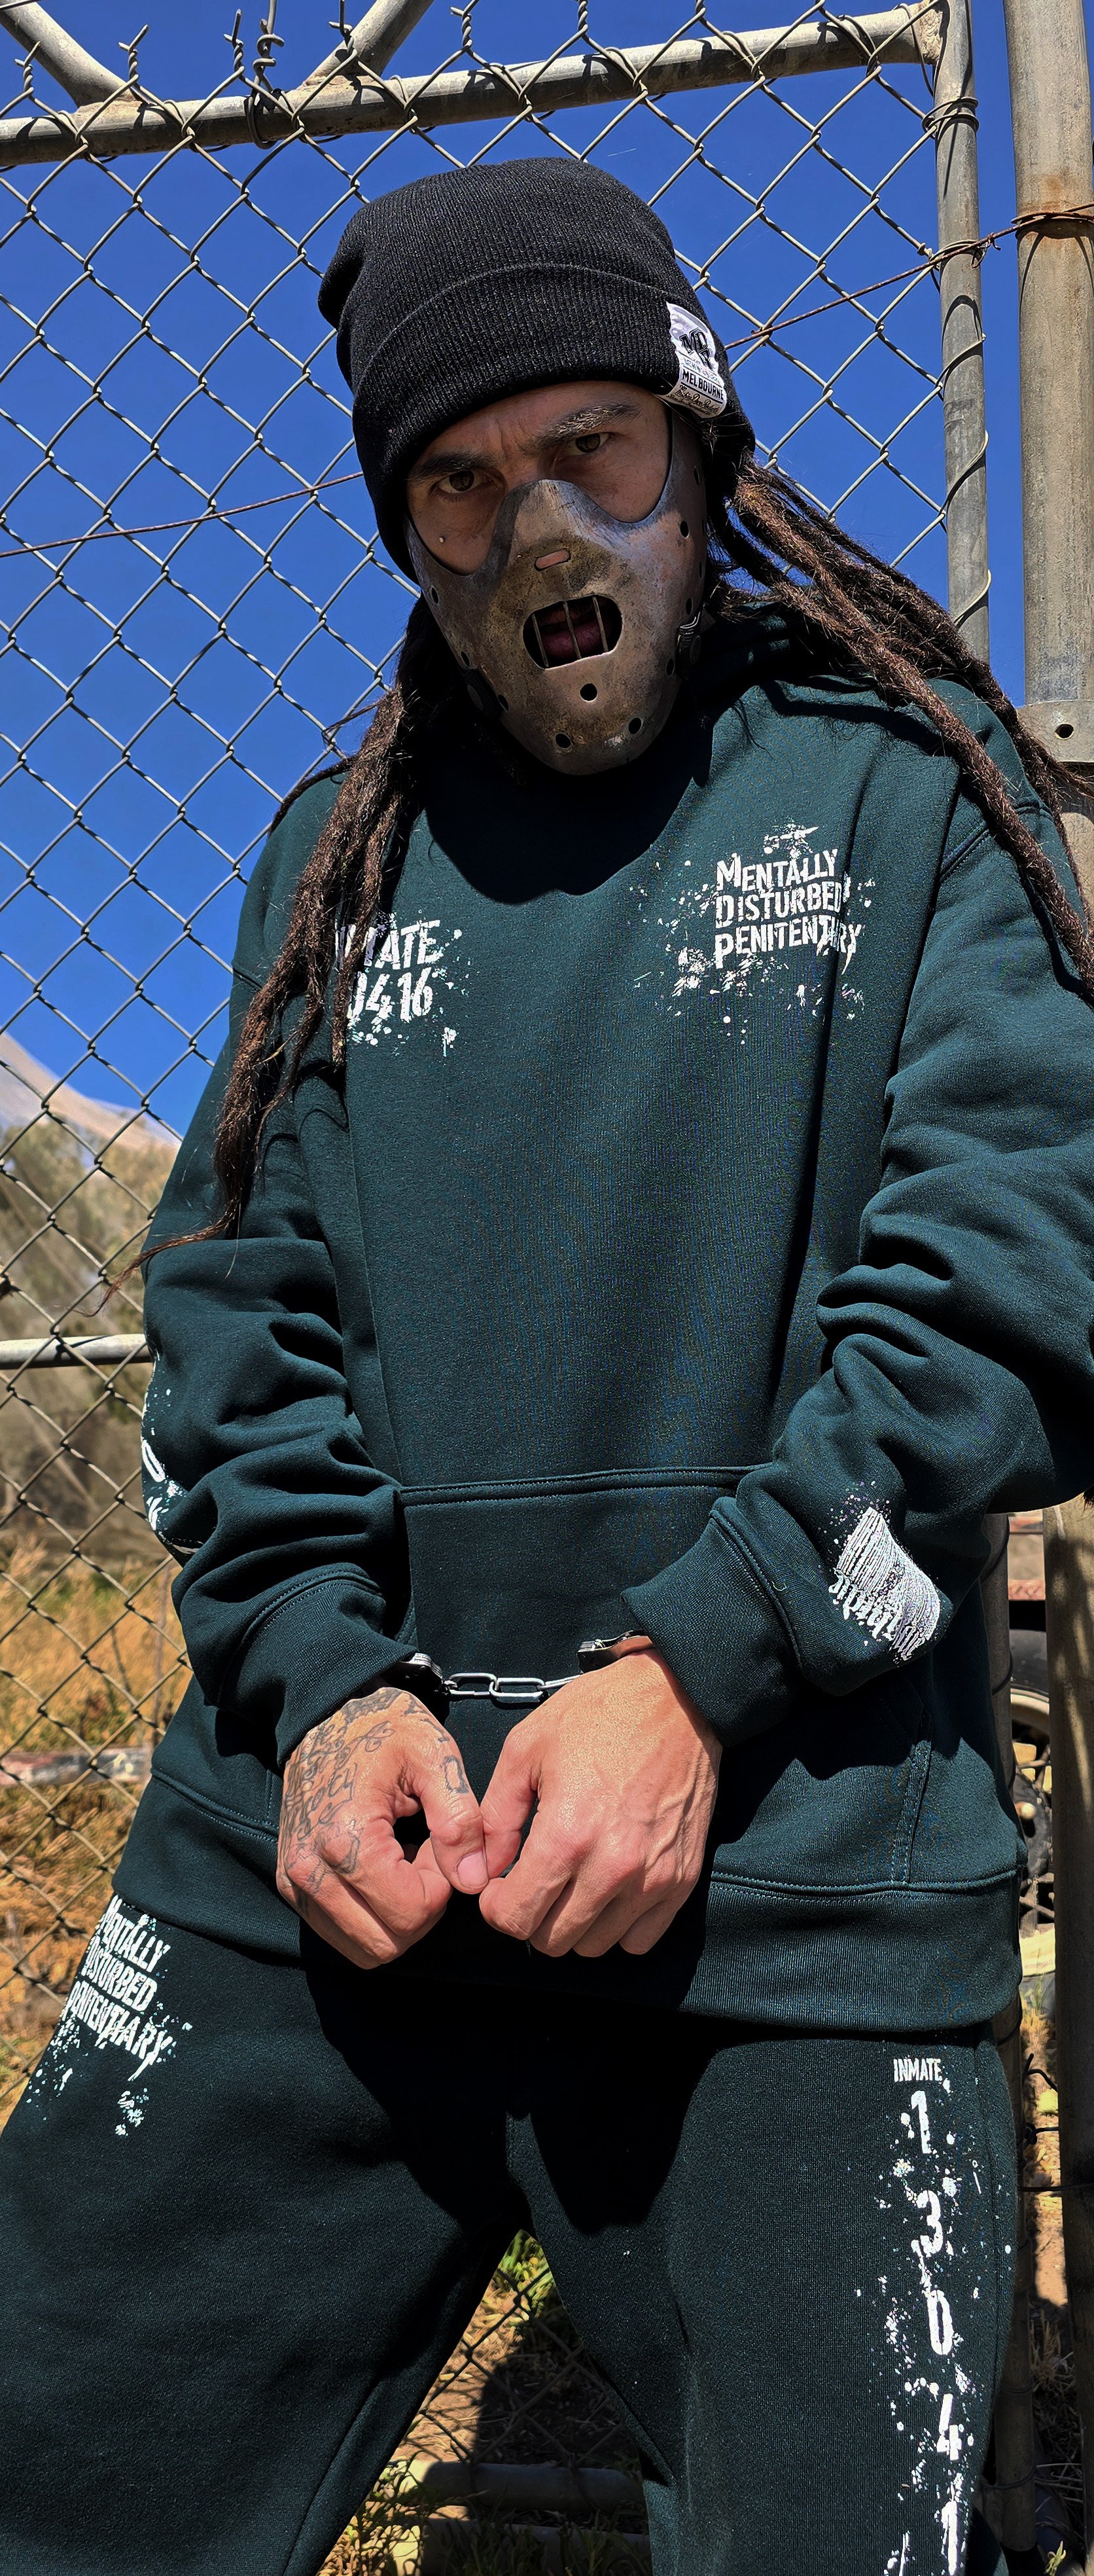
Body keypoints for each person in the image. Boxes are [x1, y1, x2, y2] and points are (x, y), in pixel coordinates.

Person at [1, 155, 1092, 2576]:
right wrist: (322, 1697)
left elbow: (1022, 1276)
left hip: (790, 1885)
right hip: (338, 1868)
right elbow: (239, 1314)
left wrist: (702, 1673)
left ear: (698, 443)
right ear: (405, 532)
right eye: (463, 485)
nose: (540, 533)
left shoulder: (907, 783)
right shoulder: (339, 859)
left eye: (591, 446)